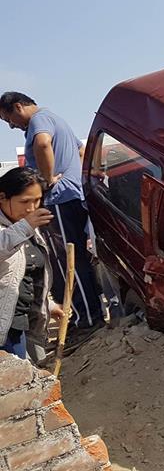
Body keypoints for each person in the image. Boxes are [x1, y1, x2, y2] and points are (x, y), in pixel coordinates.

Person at [0, 92, 103, 332]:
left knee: (68, 260)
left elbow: (43, 143)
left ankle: (86, 320)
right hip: (73, 196)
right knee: (76, 258)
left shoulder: (39, 121)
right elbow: (81, 151)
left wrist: (46, 181)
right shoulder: (57, 118)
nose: (12, 126)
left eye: (9, 120)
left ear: (18, 106)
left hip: (58, 200)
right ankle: (89, 315)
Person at [0, 167, 61, 361]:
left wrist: (47, 304)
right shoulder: (20, 227)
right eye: (24, 201)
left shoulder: (26, 228)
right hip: (6, 327)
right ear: (2, 197)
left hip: (25, 322)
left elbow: (25, 274)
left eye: (37, 200)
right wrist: (25, 226)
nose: (31, 208)